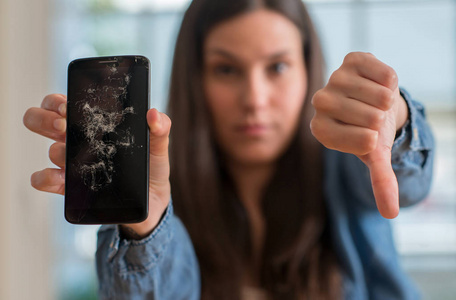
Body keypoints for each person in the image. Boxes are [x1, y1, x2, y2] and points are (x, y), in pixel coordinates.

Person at [23, 0, 435, 299]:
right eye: (226, 69)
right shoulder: (158, 192)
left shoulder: (348, 167)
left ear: (308, 67)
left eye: (277, 67)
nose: (254, 98)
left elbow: (411, 181)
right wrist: (144, 225)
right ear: (195, 79)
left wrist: (396, 119)